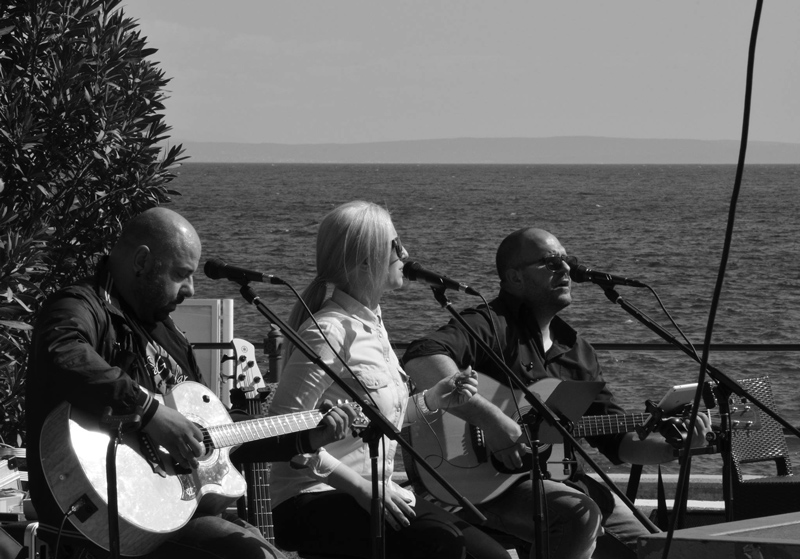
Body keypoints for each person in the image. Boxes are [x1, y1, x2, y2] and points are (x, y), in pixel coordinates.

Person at [26, 207, 357, 559]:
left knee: (262, 549)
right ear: (141, 261)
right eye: (181, 274)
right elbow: (63, 351)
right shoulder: (80, 306)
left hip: (172, 514)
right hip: (108, 518)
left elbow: (216, 434)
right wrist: (150, 413)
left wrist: (305, 437)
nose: (191, 289)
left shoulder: (167, 334)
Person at [402, 227, 712, 559]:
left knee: (661, 550)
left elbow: (620, 442)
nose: (566, 269)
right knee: (578, 514)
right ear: (515, 277)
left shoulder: (578, 352)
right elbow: (422, 358)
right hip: (481, 484)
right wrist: (491, 422)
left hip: (563, 482)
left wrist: (677, 446)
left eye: (568, 260)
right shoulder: (489, 325)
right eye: (551, 262)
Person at [268, 201, 512, 559]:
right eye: (396, 246)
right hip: (313, 497)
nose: (406, 253)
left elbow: (376, 420)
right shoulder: (329, 331)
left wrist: (435, 399)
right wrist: (363, 490)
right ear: (366, 261)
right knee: (445, 545)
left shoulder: (372, 325)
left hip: (369, 491)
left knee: (488, 555)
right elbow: (282, 433)